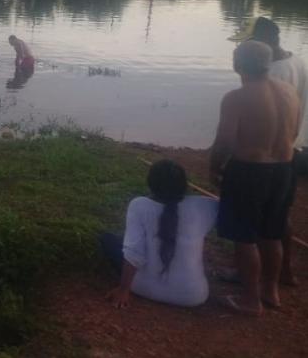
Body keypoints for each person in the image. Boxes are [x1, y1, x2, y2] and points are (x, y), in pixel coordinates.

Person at [211, 40, 300, 315]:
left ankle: (251, 300)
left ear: (238, 65)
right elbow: (294, 132)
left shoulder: (237, 97)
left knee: (244, 236)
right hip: (285, 169)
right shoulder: (289, 91)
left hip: (250, 171)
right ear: (268, 63)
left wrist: (214, 166)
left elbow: (225, 141)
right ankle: (270, 290)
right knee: (271, 233)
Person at [240, 17, 308, 286]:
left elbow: (262, 120)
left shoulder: (271, 75)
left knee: (256, 217)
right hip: (295, 149)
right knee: (280, 214)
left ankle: (253, 278)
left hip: (269, 156)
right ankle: (285, 271)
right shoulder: (297, 61)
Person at [104, 160, 218, 308]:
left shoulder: (139, 205)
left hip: (143, 288)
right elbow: (233, 210)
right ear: (185, 185)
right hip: (192, 296)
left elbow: (134, 254)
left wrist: (123, 290)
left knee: (108, 240)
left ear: (151, 184)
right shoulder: (204, 205)